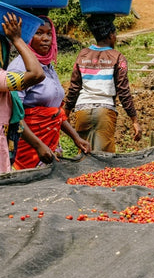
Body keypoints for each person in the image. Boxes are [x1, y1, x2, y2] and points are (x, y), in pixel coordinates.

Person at [8, 16, 90, 170]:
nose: (45, 39)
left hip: (49, 142)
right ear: (27, 37)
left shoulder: (48, 67)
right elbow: (14, 114)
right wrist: (38, 146)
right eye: (38, 33)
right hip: (30, 146)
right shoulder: (20, 68)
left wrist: (76, 138)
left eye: (49, 34)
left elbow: (55, 111)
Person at [64, 14, 142, 153]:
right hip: (104, 112)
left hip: (82, 110)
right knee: (104, 159)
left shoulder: (83, 54)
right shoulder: (117, 57)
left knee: (84, 153)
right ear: (111, 35)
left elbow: (74, 87)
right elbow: (123, 91)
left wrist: (66, 112)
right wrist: (134, 120)